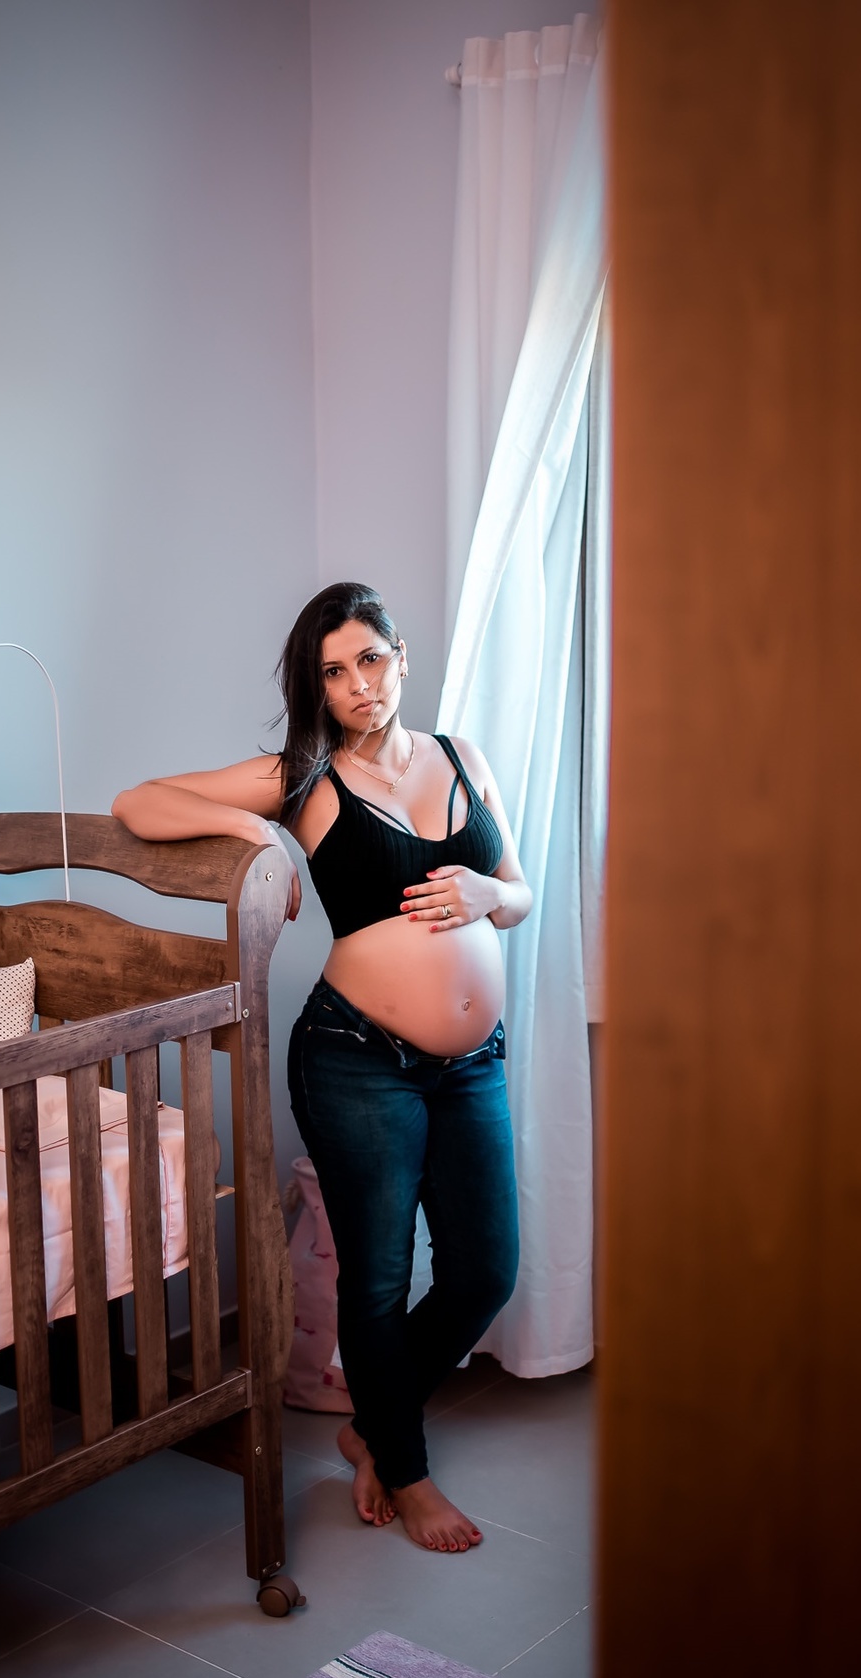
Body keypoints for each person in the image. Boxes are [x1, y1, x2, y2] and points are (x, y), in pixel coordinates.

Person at [112, 582, 531, 1552]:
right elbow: (138, 802)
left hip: (473, 1063)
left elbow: (522, 889)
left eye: (370, 659)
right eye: (333, 672)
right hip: (356, 1062)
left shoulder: (463, 757)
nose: (357, 686)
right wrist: (251, 828)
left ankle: (373, 1421)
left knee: (484, 1272)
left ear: (402, 654)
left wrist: (486, 892)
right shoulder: (304, 777)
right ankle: (405, 1466)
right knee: (377, 1281)